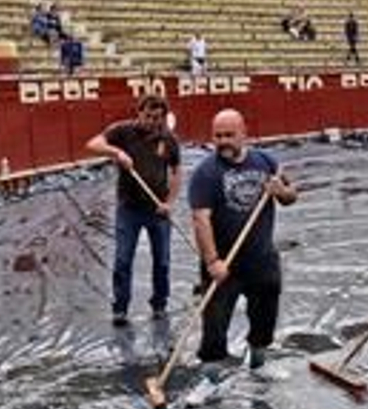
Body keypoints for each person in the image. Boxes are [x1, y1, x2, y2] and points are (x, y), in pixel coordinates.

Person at [189, 109, 298, 380]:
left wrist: (280, 191)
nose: (223, 141)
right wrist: (212, 260)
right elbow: (200, 218)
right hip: (224, 264)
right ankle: (210, 379)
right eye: (218, 136)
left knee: (264, 316)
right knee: (214, 324)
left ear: (243, 134)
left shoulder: (267, 162)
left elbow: (291, 195)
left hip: (261, 259)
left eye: (229, 135)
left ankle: (259, 364)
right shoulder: (206, 172)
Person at [85, 96, 182, 326]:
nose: (152, 122)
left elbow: (177, 172)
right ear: (139, 113)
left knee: (163, 261)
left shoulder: (168, 138)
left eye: (157, 118)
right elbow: (93, 144)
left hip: (158, 209)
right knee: (123, 259)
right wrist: (116, 153)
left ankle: (159, 304)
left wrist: (169, 202)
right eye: (148, 116)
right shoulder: (122, 131)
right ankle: (120, 308)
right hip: (129, 208)